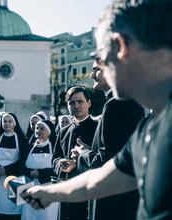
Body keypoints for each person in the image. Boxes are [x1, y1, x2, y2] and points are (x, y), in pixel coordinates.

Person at [21, 1, 172, 219]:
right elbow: (97, 181)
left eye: (99, 57)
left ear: (120, 46)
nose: (98, 69)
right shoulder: (149, 130)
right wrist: (46, 193)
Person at [71, 63, 145, 220]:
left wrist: (82, 154)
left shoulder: (114, 104)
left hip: (112, 202)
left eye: (96, 69)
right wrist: (90, 150)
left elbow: (108, 160)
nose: (91, 75)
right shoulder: (128, 101)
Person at [52, 86, 98, 220]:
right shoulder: (63, 131)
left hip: (87, 193)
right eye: (72, 102)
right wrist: (61, 163)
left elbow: (102, 159)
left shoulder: (97, 128)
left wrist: (77, 164)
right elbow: (54, 158)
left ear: (89, 103)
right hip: (65, 191)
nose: (76, 105)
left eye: (80, 101)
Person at [0, 112, 27, 220]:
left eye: (10, 121)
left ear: (14, 124)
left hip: (15, 178)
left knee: (13, 209)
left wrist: (7, 169)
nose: (7, 124)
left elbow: (23, 160)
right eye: (4, 121)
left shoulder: (21, 140)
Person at [22, 120, 58, 220]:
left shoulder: (54, 148)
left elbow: (57, 168)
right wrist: (30, 173)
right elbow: (21, 166)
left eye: (42, 128)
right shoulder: (29, 147)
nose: (38, 131)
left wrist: (40, 173)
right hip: (30, 188)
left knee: (47, 215)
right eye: (37, 128)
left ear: (49, 132)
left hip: (48, 188)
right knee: (29, 215)